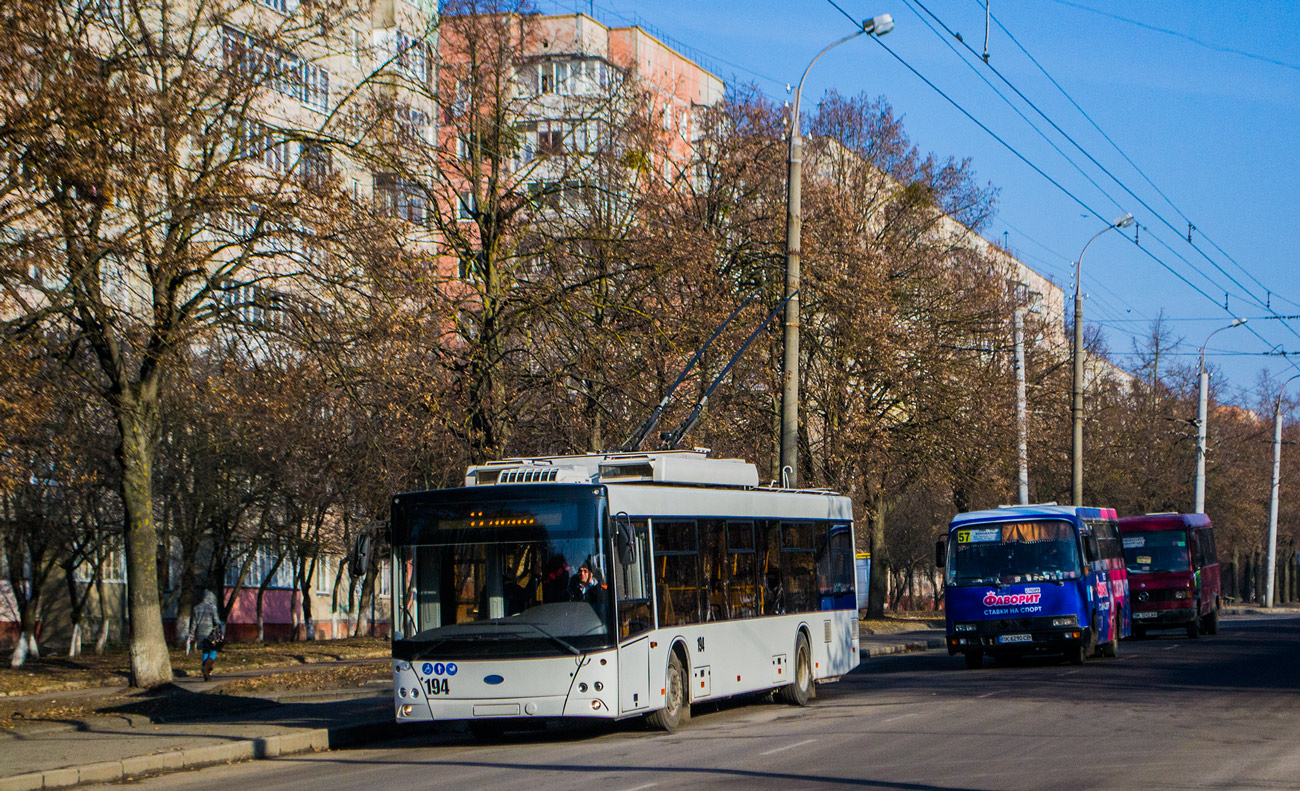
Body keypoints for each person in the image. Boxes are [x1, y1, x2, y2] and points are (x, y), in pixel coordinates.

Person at [189, 590, 224, 682]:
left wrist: (191, 635)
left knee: (205, 652)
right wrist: (220, 624)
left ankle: (206, 674)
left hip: (200, 634)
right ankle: (206, 669)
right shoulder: (212, 607)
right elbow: (216, 621)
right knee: (213, 652)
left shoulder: (196, 608)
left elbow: (193, 624)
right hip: (210, 634)